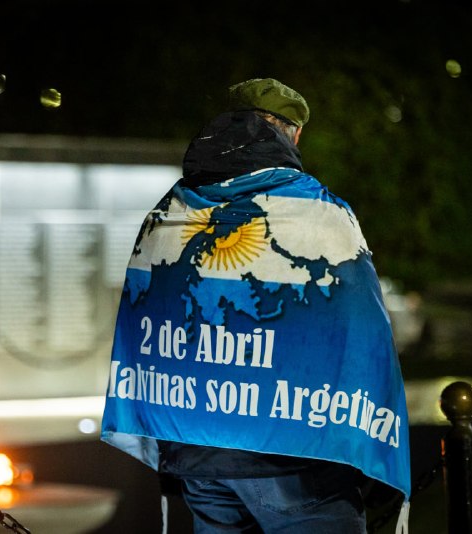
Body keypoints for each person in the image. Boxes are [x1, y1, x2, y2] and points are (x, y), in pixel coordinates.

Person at [100, 77, 411, 533]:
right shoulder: (318, 210)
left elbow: (141, 319)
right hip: (293, 459)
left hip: (196, 454)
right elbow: (364, 334)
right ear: (294, 133)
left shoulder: (170, 208)